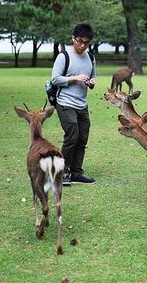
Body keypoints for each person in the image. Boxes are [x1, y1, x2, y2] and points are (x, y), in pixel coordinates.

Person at [51, 23, 97, 186]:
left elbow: (94, 78)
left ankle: (77, 172)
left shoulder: (90, 57)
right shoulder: (64, 56)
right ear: (73, 38)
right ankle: (62, 173)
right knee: (72, 137)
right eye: (79, 41)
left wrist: (91, 83)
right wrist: (75, 78)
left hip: (82, 105)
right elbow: (55, 79)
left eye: (86, 42)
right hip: (65, 103)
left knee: (82, 138)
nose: (82, 45)